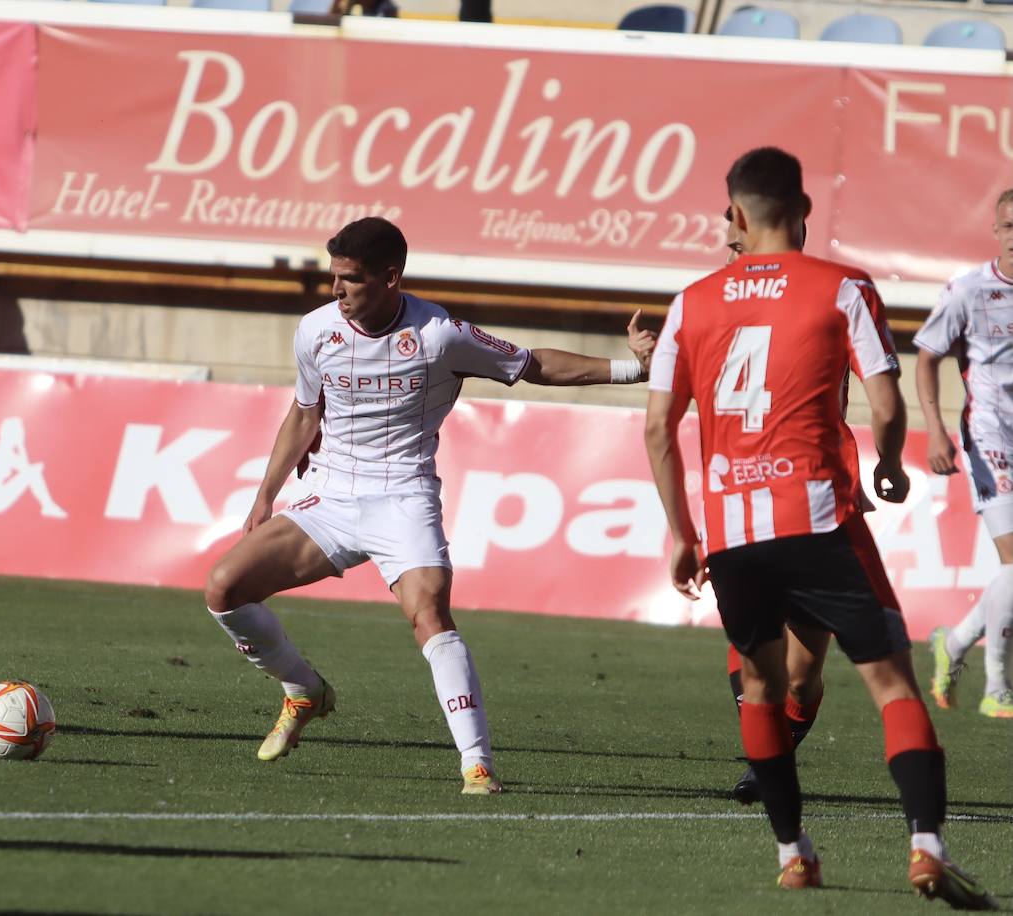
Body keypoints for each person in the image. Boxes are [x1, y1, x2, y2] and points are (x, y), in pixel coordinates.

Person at [644, 147, 993, 906]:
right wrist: (891, 464)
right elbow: (888, 404)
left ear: (735, 216)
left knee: (763, 691)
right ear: (801, 211)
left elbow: (656, 428)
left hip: (732, 532)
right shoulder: (842, 285)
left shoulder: (691, 300)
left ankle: (794, 853)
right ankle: (926, 850)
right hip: (817, 516)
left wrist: (682, 532)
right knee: (893, 683)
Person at [204, 216, 656, 795]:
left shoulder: (440, 334)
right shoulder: (316, 330)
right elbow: (305, 412)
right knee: (223, 588)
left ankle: (477, 764)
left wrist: (633, 369)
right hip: (331, 495)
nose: (337, 291)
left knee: (429, 615)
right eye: (334, 278)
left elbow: (532, 365)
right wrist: (265, 495)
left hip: (403, 497)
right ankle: (303, 689)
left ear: (392, 278)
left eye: (351, 279)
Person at [718, 210, 902, 805]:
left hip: (821, 493)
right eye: (729, 241)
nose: (732, 248)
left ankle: (772, 750)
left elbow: (881, 391)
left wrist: (888, 459)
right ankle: (765, 767)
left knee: (801, 672)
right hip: (744, 491)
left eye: (738, 235)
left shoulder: (833, 293)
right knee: (753, 650)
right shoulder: (712, 300)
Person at [917, 190, 1013, 720]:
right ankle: (997, 685)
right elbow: (927, 357)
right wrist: (934, 430)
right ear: (996, 230)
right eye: (1009, 226)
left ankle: (953, 645)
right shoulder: (970, 290)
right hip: (989, 436)